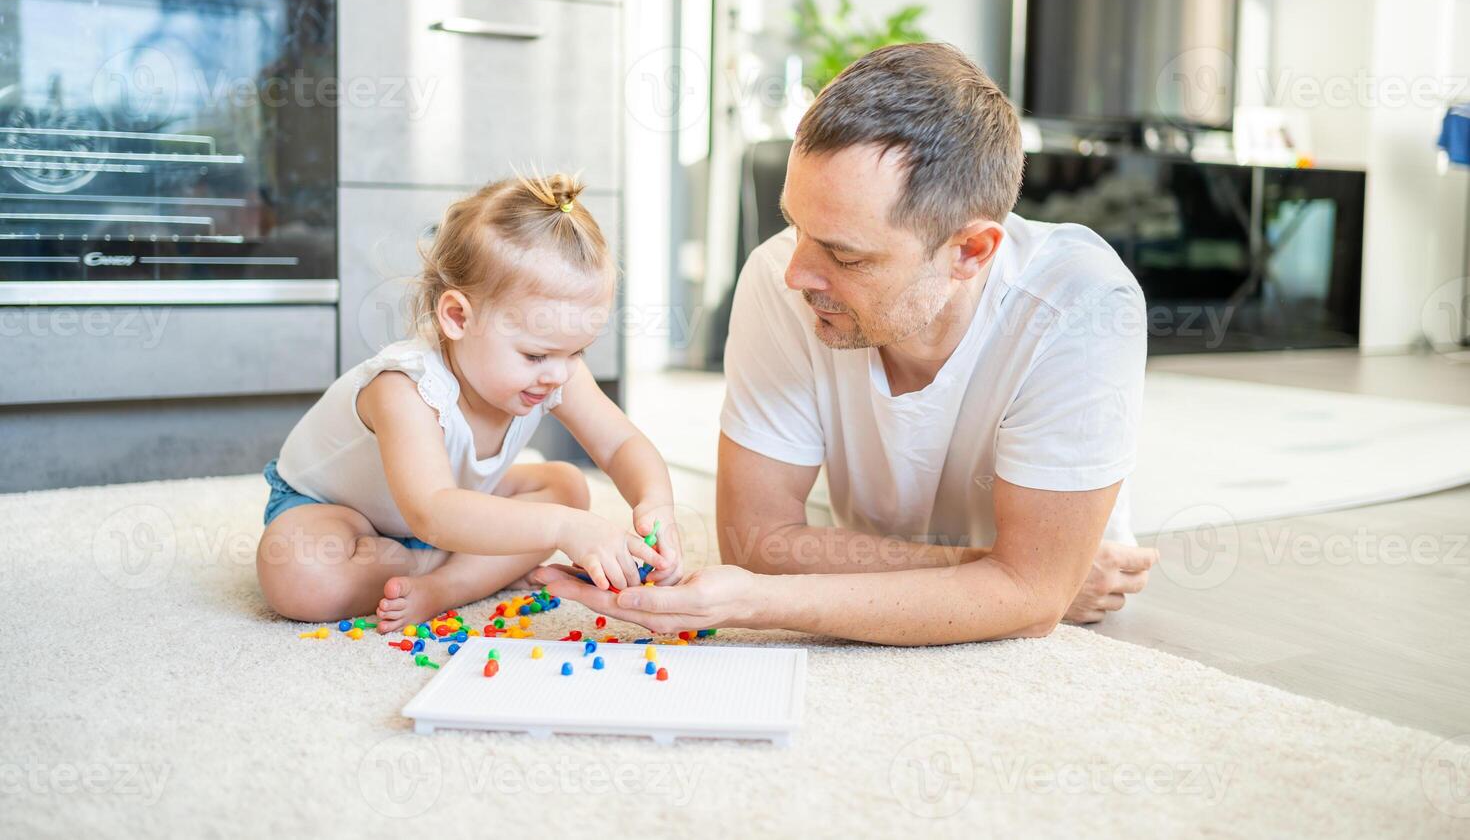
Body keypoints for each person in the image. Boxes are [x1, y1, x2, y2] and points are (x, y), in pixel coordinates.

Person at [535, 43, 1158, 644]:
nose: (796, 273)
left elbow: (1029, 604)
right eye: (797, 224)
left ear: (969, 252)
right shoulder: (779, 278)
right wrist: (996, 575)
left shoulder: (1081, 304)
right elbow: (759, 544)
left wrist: (753, 600)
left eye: (845, 254)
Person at [256, 174, 681, 631]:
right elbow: (432, 509)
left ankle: (444, 587)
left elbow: (619, 445)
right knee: (299, 572)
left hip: (449, 513)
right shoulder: (405, 387)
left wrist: (656, 502)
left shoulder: (555, 370)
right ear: (457, 317)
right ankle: (450, 566)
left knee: (568, 488)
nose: (558, 373)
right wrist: (561, 529)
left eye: (576, 351)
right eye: (535, 354)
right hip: (343, 514)